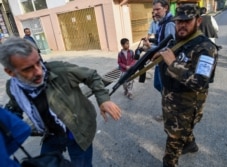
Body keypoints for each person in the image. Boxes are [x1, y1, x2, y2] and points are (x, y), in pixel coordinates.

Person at [0, 37, 122, 167]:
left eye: (38, 62)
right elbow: (14, 109)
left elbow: (91, 76)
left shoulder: (59, 70)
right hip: (51, 134)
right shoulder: (13, 88)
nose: (39, 71)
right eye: (28, 69)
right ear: (10, 72)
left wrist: (104, 100)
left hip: (77, 132)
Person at [155, 5, 219, 167]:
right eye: (178, 21)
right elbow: (173, 59)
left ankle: (169, 163)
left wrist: (172, 63)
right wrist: (160, 56)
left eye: (187, 21)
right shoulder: (180, 41)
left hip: (186, 105)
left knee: (174, 138)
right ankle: (190, 144)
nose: (182, 25)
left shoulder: (206, 48)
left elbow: (200, 82)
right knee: (177, 129)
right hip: (171, 98)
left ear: (198, 21)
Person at [144, 0, 175, 121]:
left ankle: (168, 113)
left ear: (166, 8)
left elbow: (171, 46)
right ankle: (169, 108)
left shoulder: (170, 23)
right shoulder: (161, 23)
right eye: (154, 10)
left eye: (158, 9)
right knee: (158, 85)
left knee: (165, 88)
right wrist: (150, 45)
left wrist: (153, 49)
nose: (155, 12)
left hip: (166, 62)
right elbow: (160, 43)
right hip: (160, 61)